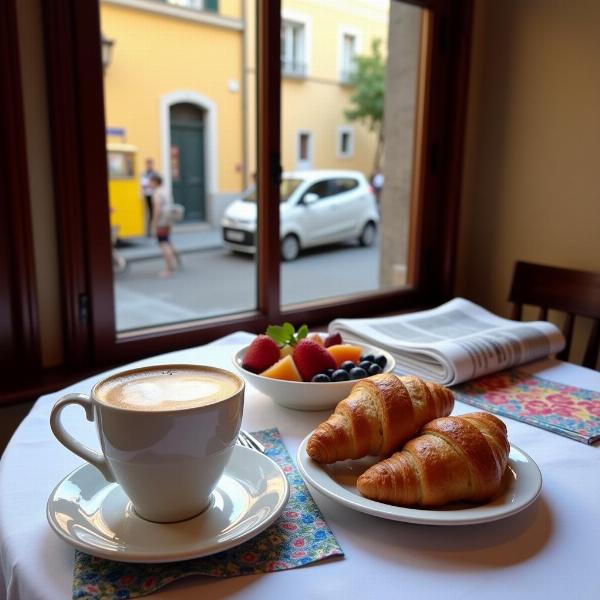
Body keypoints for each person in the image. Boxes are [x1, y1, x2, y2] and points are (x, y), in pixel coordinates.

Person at [149, 173, 179, 277]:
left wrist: (153, 223)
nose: (149, 184)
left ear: (155, 182)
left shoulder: (157, 193)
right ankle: (176, 262)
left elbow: (157, 209)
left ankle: (168, 269)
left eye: (150, 182)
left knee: (163, 243)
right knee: (167, 241)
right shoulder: (166, 190)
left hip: (161, 221)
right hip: (168, 220)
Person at [140, 158, 157, 237]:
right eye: (148, 164)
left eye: (150, 164)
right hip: (147, 194)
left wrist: (150, 185)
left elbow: (156, 184)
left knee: (154, 212)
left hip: (154, 195)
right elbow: (142, 184)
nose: (149, 165)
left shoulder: (155, 174)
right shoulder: (144, 174)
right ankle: (148, 230)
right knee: (148, 213)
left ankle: (154, 230)